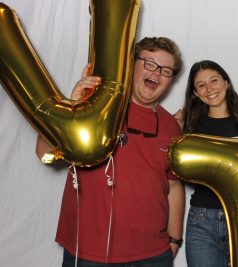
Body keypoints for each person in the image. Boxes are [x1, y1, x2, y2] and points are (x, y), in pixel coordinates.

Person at [36, 37, 185, 267]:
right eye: (149, 63)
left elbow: (174, 186)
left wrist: (174, 239)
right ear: (131, 65)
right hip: (89, 254)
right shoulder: (92, 107)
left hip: (153, 255)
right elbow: (43, 153)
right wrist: (69, 108)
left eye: (166, 70)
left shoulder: (172, 126)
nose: (156, 73)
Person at [174, 60, 238, 267]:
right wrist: (174, 131)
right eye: (201, 85)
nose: (209, 89)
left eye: (214, 80)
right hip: (202, 221)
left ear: (226, 83)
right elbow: (177, 172)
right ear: (196, 94)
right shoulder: (189, 129)